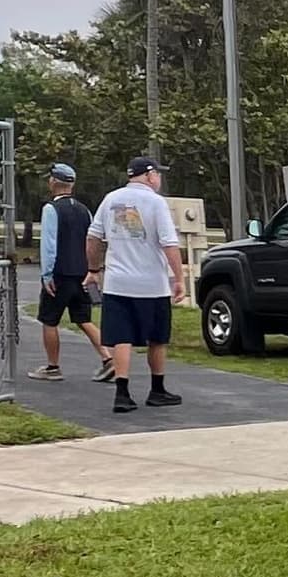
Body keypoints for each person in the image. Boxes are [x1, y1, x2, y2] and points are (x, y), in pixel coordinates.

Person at [88, 157, 186, 412]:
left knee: (122, 338)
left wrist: (93, 269)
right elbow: (169, 243)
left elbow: (93, 237)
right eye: (158, 174)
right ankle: (157, 389)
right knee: (157, 338)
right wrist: (179, 278)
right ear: (150, 175)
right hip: (151, 284)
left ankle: (122, 392)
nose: (159, 179)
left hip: (117, 282)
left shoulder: (111, 199)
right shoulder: (156, 202)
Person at [31, 162, 97, 382]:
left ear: (53, 182)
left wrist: (47, 274)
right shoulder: (84, 210)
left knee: (49, 320)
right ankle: (109, 359)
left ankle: (53, 366)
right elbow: (91, 240)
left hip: (60, 273)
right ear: (72, 184)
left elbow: (49, 244)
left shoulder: (51, 209)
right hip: (81, 271)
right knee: (83, 319)